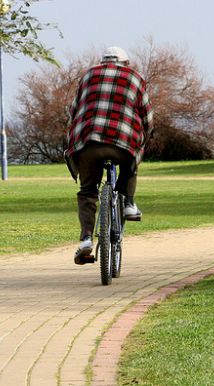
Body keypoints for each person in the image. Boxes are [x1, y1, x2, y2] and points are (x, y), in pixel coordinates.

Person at [65, 46, 153, 264]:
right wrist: (146, 135)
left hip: (87, 142)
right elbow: (146, 114)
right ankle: (129, 203)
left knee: (87, 191)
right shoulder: (134, 77)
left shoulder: (88, 75)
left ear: (103, 61)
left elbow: (74, 110)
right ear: (125, 62)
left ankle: (86, 239)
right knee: (131, 161)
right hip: (122, 141)